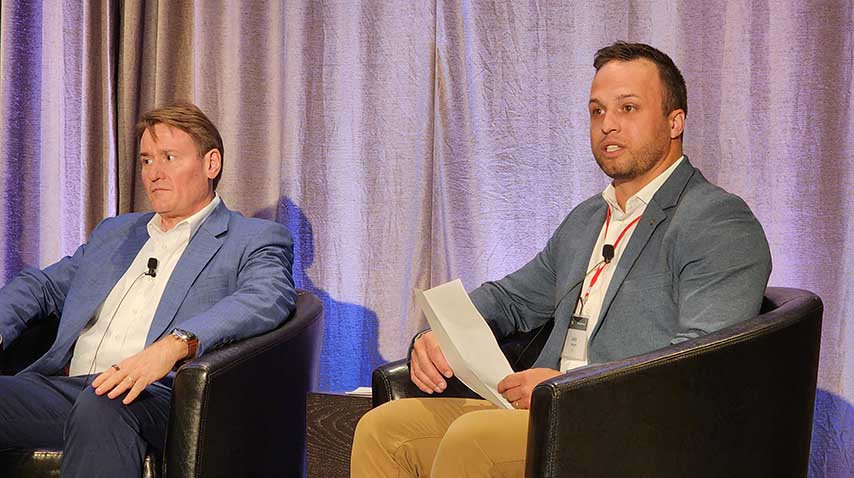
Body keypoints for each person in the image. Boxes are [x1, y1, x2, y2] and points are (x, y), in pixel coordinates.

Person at [351, 42, 772, 477]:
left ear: (674, 122)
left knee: (473, 439)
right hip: (548, 409)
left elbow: (699, 362)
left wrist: (568, 389)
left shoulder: (716, 219)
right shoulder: (587, 219)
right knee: (384, 429)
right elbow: (511, 299)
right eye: (597, 111)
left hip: (633, 427)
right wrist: (437, 335)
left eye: (628, 108)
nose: (608, 124)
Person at [0, 102, 296, 477]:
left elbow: (267, 297)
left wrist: (176, 344)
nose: (154, 173)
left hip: (159, 398)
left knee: (103, 405)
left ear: (211, 164)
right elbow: (40, 286)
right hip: (69, 390)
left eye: (169, 157)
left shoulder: (251, 238)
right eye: (146, 161)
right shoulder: (116, 233)